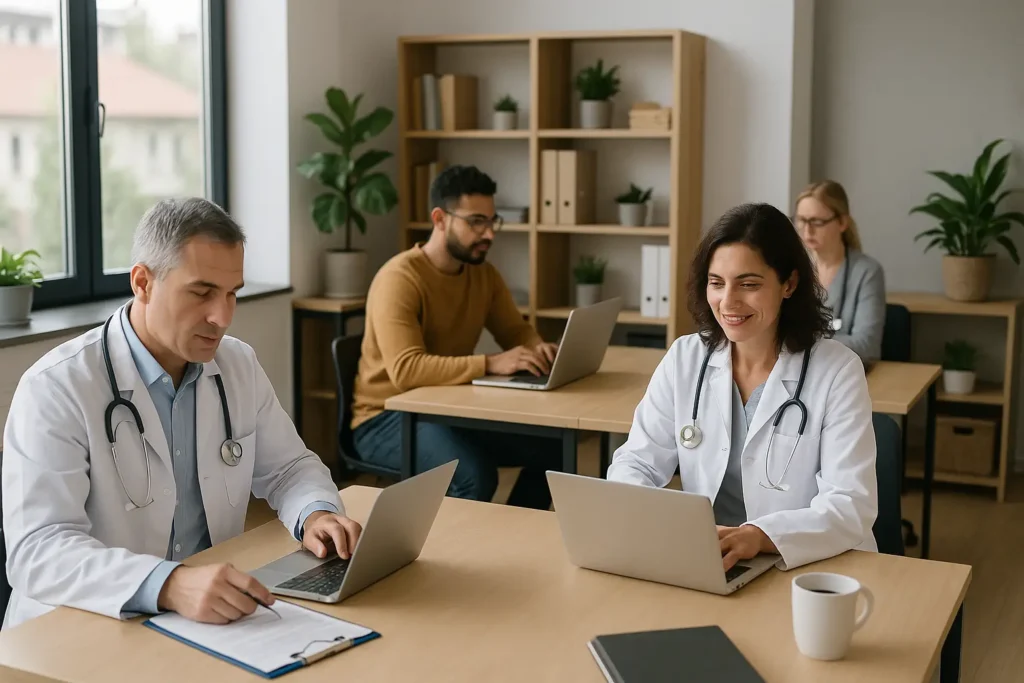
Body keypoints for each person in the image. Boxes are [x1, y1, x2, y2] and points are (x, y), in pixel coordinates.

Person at [2, 198, 362, 630]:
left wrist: (316, 514)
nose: (222, 316)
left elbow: (288, 468)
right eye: (202, 292)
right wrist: (167, 584)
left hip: (207, 615)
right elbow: (38, 551)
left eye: (232, 294)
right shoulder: (57, 387)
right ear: (143, 283)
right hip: (83, 625)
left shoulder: (237, 365)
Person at [606, 202, 878, 572]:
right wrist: (653, 518)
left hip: (807, 564)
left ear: (789, 284)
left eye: (748, 284)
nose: (728, 302)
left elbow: (849, 504)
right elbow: (636, 460)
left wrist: (762, 536)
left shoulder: (837, 371)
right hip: (712, 559)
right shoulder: (686, 358)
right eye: (716, 283)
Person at [351, 164, 560, 509]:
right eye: (476, 221)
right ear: (440, 218)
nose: (489, 233)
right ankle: (453, 558)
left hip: (449, 408)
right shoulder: (399, 278)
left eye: (492, 221)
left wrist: (540, 351)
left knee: (555, 449)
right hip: (384, 417)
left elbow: (515, 331)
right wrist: (491, 363)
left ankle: (511, 539)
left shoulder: (484, 275)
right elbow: (406, 370)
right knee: (474, 475)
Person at [792, 180, 886, 364]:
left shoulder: (867, 272)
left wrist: (801, 342)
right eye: (801, 220)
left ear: (842, 222)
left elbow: (867, 345)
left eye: (817, 222)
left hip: (844, 372)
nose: (807, 230)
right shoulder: (793, 270)